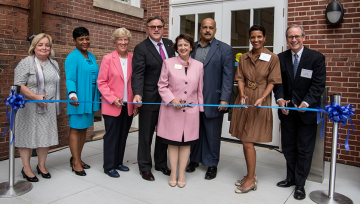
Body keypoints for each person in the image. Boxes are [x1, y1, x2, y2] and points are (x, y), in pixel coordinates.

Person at [273, 24, 326, 200]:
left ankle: (300, 184)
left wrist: (305, 102)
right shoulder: (280, 58)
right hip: (287, 113)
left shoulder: (316, 58)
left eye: (297, 36)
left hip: (306, 112)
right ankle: (291, 178)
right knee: (288, 147)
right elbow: (278, 83)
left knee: (304, 149)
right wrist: (280, 100)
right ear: (287, 39)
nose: (293, 40)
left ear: (303, 37)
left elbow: (318, 86)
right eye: (290, 37)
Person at [229, 24, 282, 193]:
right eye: (253, 37)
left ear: (265, 38)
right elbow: (240, 78)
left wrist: (262, 97)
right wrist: (242, 94)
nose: (256, 40)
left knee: (248, 140)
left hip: (260, 98)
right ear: (250, 39)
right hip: (244, 99)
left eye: (259, 37)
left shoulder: (272, 58)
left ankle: (251, 179)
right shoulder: (244, 57)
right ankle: (249, 174)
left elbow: (273, 81)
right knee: (244, 139)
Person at [186, 18, 234, 180]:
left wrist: (225, 98)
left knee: (212, 134)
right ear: (200, 29)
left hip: (213, 98)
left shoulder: (225, 49)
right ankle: (193, 160)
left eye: (211, 28)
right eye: (205, 27)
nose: (207, 30)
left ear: (215, 29)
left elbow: (228, 77)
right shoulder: (190, 47)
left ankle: (212, 164)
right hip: (191, 99)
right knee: (194, 132)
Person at [131, 15, 175, 181]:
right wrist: (137, 93)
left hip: (168, 98)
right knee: (146, 134)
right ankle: (144, 167)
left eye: (159, 26)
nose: (156, 29)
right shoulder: (141, 48)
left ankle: (161, 163)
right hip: (149, 97)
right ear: (147, 29)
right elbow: (138, 74)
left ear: (163, 28)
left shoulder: (170, 45)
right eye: (152, 26)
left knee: (164, 133)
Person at [157, 34, 204, 188]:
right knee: (172, 142)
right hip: (172, 110)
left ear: (191, 47)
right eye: (180, 45)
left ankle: (182, 172)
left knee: (186, 143)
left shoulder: (198, 65)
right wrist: (172, 99)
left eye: (186, 44)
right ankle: (173, 172)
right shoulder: (168, 63)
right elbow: (162, 85)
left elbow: (199, 90)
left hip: (191, 111)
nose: (183, 48)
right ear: (176, 48)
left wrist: (200, 109)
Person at [14, 33, 61, 182]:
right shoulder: (26, 62)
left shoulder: (54, 63)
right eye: (40, 44)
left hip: (48, 108)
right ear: (34, 47)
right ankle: (26, 168)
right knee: (28, 137)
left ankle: (41, 166)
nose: (44, 47)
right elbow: (18, 85)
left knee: (44, 137)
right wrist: (35, 97)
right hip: (29, 109)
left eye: (47, 45)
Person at [97, 28, 138, 178]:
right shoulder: (108, 59)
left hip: (128, 105)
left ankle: (118, 162)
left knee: (123, 135)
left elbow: (136, 82)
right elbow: (101, 82)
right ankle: (108, 166)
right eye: (120, 39)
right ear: (115, 42)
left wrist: (135, 104)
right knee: (111, 136)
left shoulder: (134, 58)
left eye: (125, 39)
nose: (123, 42)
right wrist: (112, 98)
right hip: (112, 104)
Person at [65, 27, 101, 176]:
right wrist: (72, 94)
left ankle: (78, 157)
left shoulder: (91, 56)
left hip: (90, 99)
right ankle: (75, 162)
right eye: (81, 39)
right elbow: (70, 78)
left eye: (87, 38)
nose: (85, 42)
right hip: (78, 99)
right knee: (75, 128)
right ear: (74, 41)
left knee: (84, 129)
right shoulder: (72, 57)